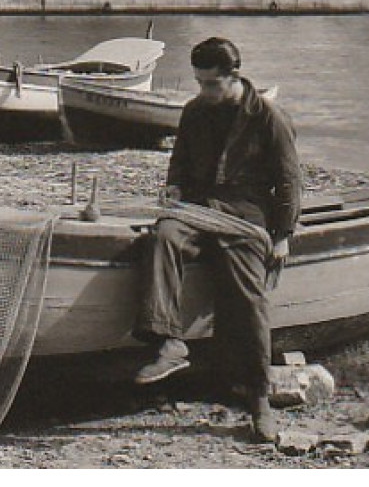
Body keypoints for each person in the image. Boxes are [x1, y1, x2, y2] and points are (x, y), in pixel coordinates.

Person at [132, 36, 301, 444]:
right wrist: (173, 188)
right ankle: (170, 342)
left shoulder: (268, 117)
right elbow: (180, 162)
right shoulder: (195, 111)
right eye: (199, 83)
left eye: (211, 84)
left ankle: (259, 399)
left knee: (249, 299)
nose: (204, 92)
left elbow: (290, 180)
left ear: (234, 78)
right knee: (162, 237)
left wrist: (282, 236)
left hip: (246, 219)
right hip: (198, 210)